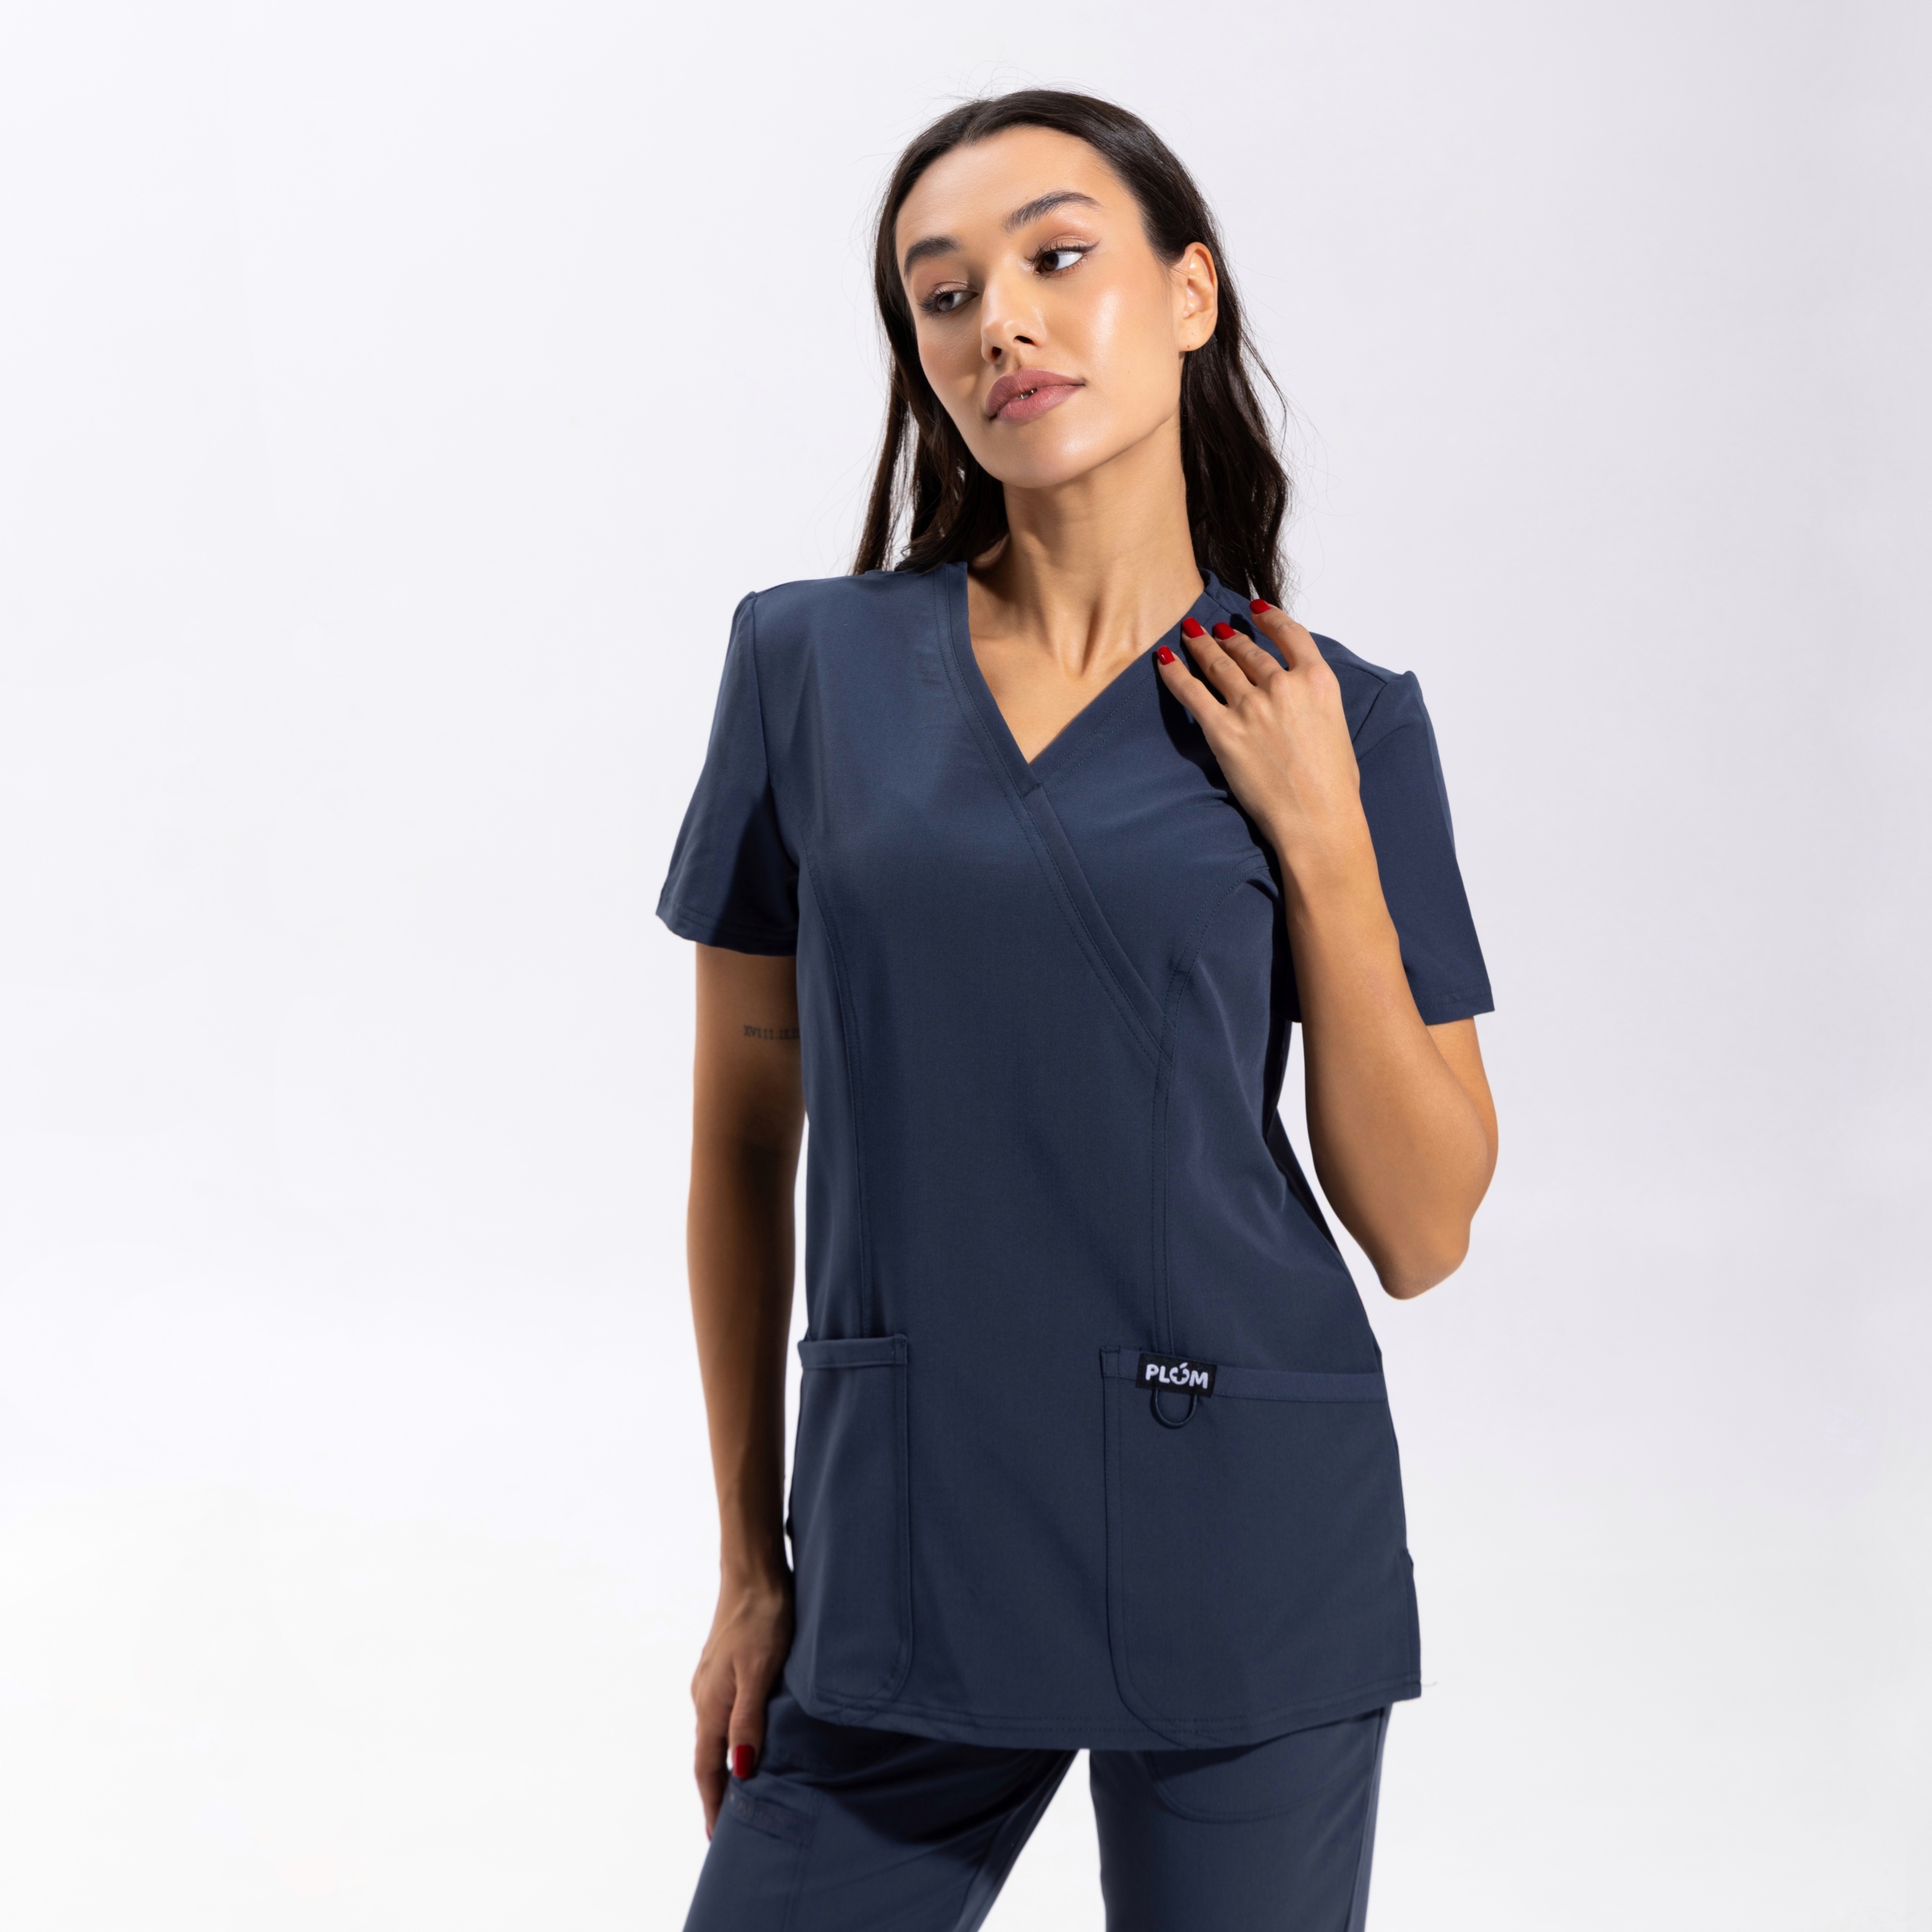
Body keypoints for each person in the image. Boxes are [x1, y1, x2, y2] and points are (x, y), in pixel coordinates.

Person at [657, 88, 1498, 1932]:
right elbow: (737, 1146)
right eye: (942, 294)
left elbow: (1422, 1224)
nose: (1001, 324)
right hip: (904, 1534)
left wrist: (1323, 840)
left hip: (1241, 1535)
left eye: (1055, 258)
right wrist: (747, 1557)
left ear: (1189, 293)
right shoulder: (807, 665)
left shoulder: (1341, 717)